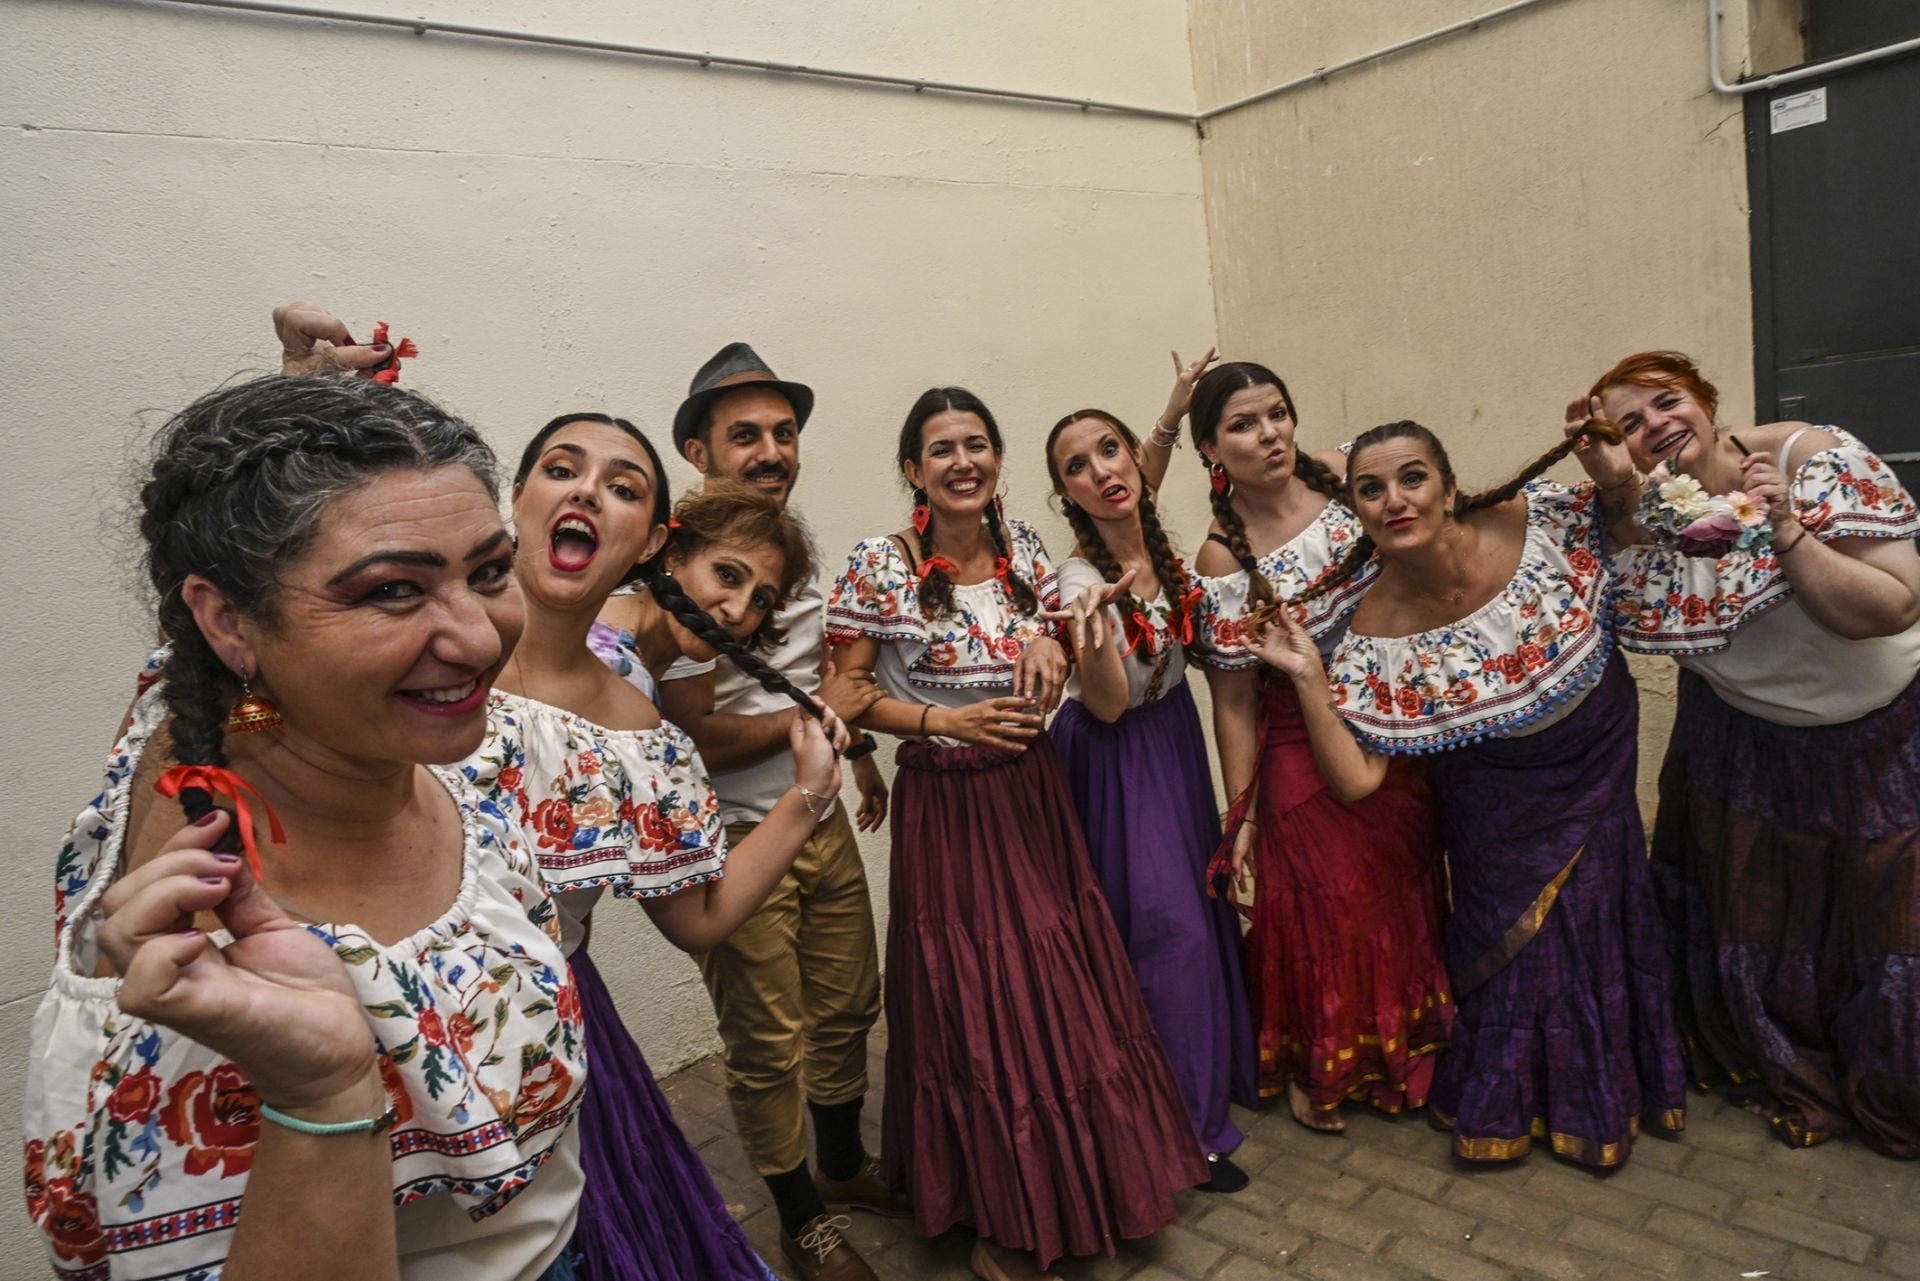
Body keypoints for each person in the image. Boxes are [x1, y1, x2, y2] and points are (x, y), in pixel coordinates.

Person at [271, 302, 849, 1276]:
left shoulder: (633, 729)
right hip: (334, 1042)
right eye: (562, 467)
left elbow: (701, 921)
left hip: (544, 1055)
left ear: (652, 534)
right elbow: (257, 670)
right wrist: (299, 406)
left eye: (623, 485)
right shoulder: (407, 637)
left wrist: (809, 794)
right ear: (518, 497)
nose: (588, 489)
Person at [28, 374, 589, 1279]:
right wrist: (320, 1091)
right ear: (227, 623)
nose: (483, 639)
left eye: (488, 570)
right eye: (393, 591)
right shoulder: (206, 977)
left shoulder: (250, 712)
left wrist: (297, 414)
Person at [825, 387, 1207, 1281]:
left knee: (1060, 980)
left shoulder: (1026, 549)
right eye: (941, 449)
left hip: (1035, 793)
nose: (964, 461)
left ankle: (1094, 1182)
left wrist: (1057, 644)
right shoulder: (881, 564)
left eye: (978, 444)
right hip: (950, 808)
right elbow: (844, 693)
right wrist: (936, 724)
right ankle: (1001, 1207)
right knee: (975, 995)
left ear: (996, 459)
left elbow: (1057, 637)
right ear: (913, 470)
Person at [1251, 417, 1688, 1168]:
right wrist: (1308, 677)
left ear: (1449, 487)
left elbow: (1629, 528)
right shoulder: (1371, 631)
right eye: (1371, 488)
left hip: (1597, 759)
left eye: (1412, 477)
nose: (1395, 498)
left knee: (1595, 924)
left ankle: (1608, 1091)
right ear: (1355, 510)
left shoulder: (1539, 520)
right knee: (1520, 956)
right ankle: (1523, 1099)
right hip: (1491, 806)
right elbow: (1358, 780)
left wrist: (1616, 473)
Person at [598, 343, 896, 1281]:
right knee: (769, 1042)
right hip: (730, 837)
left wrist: (856, 751)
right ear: (697, 449)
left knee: (850, 1001)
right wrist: (817, 721)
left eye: (784, 432)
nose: (771, 450)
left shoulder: (785, 550)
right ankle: (800, 1217)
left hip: (819, 816)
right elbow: (702, 733)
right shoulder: (673, 569)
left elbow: (812, 677)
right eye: (746, 435)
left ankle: (842, 1163)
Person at [1581, 350, 1920, 1156]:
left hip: (1884, 737)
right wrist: (1613, 486)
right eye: (1630, 423)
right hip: (1749, 744)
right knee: (1762, 917)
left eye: (1667, 402)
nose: (1656, 425)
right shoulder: (1631, 511)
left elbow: (1891, 607)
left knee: (1892, 922)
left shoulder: (1811, 457)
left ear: (1705, 399)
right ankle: (1786, 1063)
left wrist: (1785, 525)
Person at [1155, 359, 1453, 1131]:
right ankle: (1325, 1064)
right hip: (1295, 745)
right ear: (1211, 450)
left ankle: (1412, 1046)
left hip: (1390, 717)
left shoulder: (1344, 486)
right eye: (1244, 425)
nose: (1270, 434)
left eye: (1277, 413)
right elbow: (1230, 698)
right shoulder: (1222, 558)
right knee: (1328, 909)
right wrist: (1242, 810)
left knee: (1404, 887)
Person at [1042, 407, 1257, 1190]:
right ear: (1064, 492)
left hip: (1171, 737)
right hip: (1115, 754)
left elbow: (1143, 473)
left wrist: (1172, 410)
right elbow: (1101, 704)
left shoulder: (1145, 530)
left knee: (1195, 913)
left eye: (1110, 450)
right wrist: (1092, 629)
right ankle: (1182, 1129)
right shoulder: (1078, 579)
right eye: (1077, 466)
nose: (1102, 471)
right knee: (1168, 933)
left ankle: (1208, 1073)